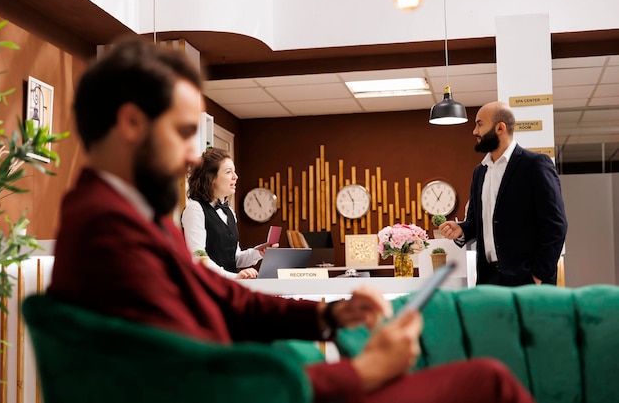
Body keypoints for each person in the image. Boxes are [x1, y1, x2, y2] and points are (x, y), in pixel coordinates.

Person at [47, 36, 535, 403]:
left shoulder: (129, 219)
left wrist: (325, 316)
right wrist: (360, 373)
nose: (194, 159)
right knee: (487, 380)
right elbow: (200, 383)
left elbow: (221, 296)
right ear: (132, 124)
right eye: (181, 133)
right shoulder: (106, 237)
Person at [439, 101, 568, 286]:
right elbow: (477, 221)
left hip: (528, 280)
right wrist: (462, 229)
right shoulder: (480, 172)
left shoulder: (535, 164)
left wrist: (538, 275)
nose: (475, 131)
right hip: (488, 280)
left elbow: (556, 225)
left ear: (500, 128)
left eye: (480, 124)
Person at [181, 148, 263, 279]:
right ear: (211, 178)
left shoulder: (229, 212)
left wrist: (258, 253)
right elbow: (198, 257)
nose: (235, 177)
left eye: (234, 171)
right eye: (228, 172)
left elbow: (234, 257)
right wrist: (233, 277)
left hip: (229, 288)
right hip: (207, 288)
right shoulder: (195, 209)